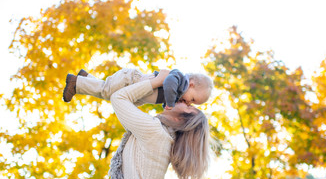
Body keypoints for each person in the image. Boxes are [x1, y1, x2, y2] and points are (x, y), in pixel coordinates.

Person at [63, 69, 211, 179]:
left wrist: (156, 81)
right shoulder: (158, 132)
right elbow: (123, 98)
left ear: (181, 121)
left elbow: (119, 97)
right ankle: (88, 82)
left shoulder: (154, 131)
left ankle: (85, 82)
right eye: (189, 102)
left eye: (189, 106)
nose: (186, 101)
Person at [62, 68, 213, 109]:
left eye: (193, 104)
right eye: (192, 99)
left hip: (134, 89)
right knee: (107, 91)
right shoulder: (179, 79)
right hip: (131, 81)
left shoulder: (178, 92)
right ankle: (76, 82)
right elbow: (168, 84)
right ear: (191, 84)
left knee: (106, 93)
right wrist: (171, 105)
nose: (189, 103)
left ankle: (87, 79)